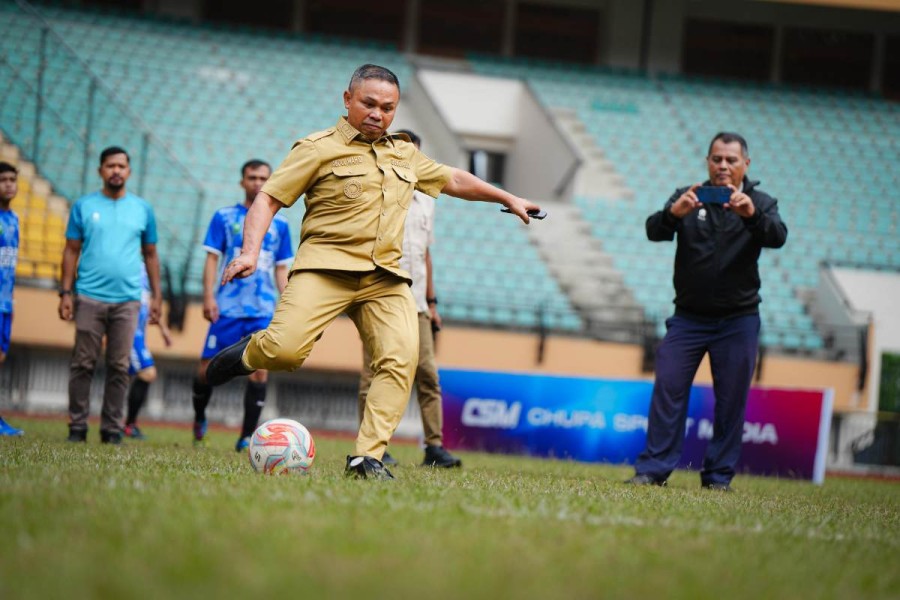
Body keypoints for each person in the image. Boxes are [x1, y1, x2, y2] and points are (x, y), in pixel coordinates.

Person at [205, 64, 541, 479]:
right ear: (347, 100)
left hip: (385, 278)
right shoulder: (316, 147)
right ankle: (249, 353)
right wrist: (250, 252)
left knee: (401, 358)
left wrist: (507, 197)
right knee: (285, 351)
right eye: (368, 103)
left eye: (387, 108)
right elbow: (268, 201)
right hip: (326, 268)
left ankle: (367, 458)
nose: (377, 114)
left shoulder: (405, 153)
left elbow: (453, 178)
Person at [626, 132, 787, 491]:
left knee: (731, 402)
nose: (723, 166)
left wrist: (752, 215)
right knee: (667, 387)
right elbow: (653, 231)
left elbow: (777, 236)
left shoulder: (761, 201)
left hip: (739, 320)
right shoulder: (689, 196)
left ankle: (717, 478)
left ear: (746, 163)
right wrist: (672, 214)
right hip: (687, 318)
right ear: (707, 162)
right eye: (717, 159)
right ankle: (652, 471)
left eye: (731, 159)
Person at [356, 129, 460, 469]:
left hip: (416, 303)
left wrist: (432, 303)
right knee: (375, 374)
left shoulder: (428, 200)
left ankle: (434, 446)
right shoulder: (377, 192)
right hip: (382, 297)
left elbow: (425, 253)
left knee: (428, 373)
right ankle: (372, 447)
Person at [59, 146, 162, 444]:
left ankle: (112, 429)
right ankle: (77, 427)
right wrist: (65, 292)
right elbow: (71, 250)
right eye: (110, 166)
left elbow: (151, 254)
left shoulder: (142, 209)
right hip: (89, 296)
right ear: (100, 171)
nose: (116, 171)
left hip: (128, 300)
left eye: (121, 166)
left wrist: (156, 297)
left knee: (119, 365)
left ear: (129, 171)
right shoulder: (83, 206)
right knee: (83, 363)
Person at [191, 160, 293, 452]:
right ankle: (200, 418)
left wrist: (287, 304)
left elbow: (280, 269)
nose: (258, 182)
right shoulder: (223, 217)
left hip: (262, 309)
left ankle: (246, 437)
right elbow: (212, 259)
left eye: (264, 178)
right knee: (206, 369)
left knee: (260, 370)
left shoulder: (281, 224)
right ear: (242, 181)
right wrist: (209, 297)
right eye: (252, 177)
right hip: (227, 307)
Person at [123, 264, 173, 440]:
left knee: (122, 376)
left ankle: (125, 425)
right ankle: (126, 425)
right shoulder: (127, 262)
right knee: (147, 373)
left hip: (138, 334)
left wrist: (163, 329)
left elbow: (149, 303)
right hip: (127, 334)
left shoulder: (144, 268)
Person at [0, 162, 23, 437]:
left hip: (6, 302)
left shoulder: (14, 218)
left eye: (12, 179)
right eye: (3, 179)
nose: (8, 184)